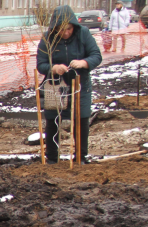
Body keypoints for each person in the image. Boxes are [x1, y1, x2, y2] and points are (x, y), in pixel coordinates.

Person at [36, 5, 102, 164]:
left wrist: (84, 63)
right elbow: (41, 64)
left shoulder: (83, 34)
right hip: (55, 85)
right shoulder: (47, 39)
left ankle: (80, 157)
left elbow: (96, 56)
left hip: (80, 85)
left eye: (69, 29)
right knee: (53, 120)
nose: (65, 33)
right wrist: (54, 68)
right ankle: (52, 157)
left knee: (81, 120)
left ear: (74, 26)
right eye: (61, 30)